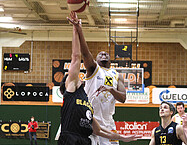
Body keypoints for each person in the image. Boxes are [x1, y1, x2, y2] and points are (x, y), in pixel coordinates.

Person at [58, 12, 140, 145]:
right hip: (87, 120)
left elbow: (123, 98)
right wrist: (78, 29)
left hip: (107, 122)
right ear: (94, 60)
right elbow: (81, 54)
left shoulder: (116, 75)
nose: (103, 53)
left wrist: (111, 90)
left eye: (106, 53)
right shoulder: (93, 69)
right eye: (100, 54)